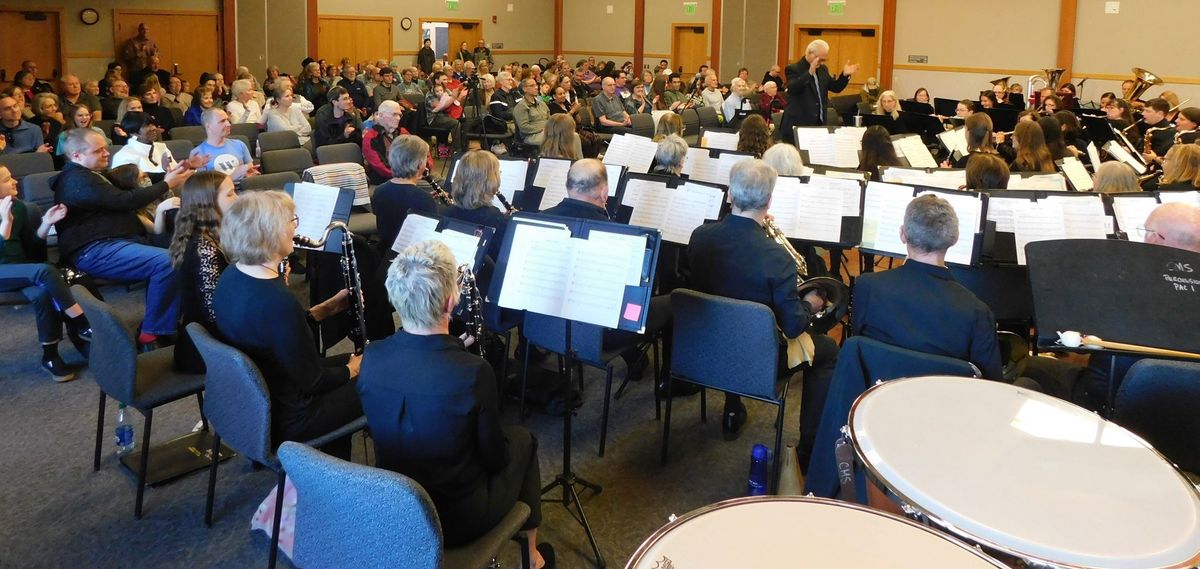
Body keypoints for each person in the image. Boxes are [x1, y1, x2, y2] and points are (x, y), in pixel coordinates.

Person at [356, 240, 554, 568]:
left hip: (398, 505)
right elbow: (495, 458)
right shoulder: (473, 372)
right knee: (524, 441)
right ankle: (532, 558)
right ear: (450, 301)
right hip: (457, 518)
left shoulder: (372, 356)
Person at [687, 159, 838, 450]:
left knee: (734, 310)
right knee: (829, 350)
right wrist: (809, 303)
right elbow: (793, 326)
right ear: (769, 201)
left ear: (729, 195)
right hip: (757, 358)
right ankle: (810, 445)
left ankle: (733, 405)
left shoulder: (700, 236)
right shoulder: (776, 256)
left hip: (704, 347)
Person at [213, 191, 363, 459]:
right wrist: (352, 370)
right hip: (294, 415)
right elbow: (314, 380)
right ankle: (337, 479)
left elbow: (271, 337)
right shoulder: (278, 301)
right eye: (291, 221)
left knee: (363, 362)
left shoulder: (232, 276)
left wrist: (323, 310)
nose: (296, 226)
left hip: (264, 395)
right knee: (378, 376)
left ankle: (328, 467)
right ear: (269, 234)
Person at [52, 129, 193, 350]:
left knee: (169, 261)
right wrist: (167, 184)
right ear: (77, 156)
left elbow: (131, 179)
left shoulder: (91, 175)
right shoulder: (76, 180)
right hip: (94, 249)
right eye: (98, 150)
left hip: (110, 244)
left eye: (105, 147)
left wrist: (172, 174)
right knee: (167, 262)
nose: (106, 153)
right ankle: (152, 332)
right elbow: (123, 200)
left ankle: (160, 327)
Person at [851, 194, 1002, 379]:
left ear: (902, 234)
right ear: (954, 239)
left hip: (879, 399)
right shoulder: (977, 312)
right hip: (942, 403)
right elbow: (990, 384)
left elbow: (861, 354)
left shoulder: (868, 287)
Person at [0, 166, 93, 381]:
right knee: (45, 271)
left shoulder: (18, 208)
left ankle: (50, 356)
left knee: (43, 294)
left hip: (23, 270)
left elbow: (33, 249)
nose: (15, 181)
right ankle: (82, 322)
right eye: (7, 180)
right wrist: (5, 226)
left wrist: (46, 223)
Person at [168, 171, 236, 373]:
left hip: (203, 339)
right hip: (205, 350)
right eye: (231, 194)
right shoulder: (204, 247)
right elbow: (214, 313)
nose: (238, 198)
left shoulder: (205, 233)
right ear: (209, 202)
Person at [445, 151, 509, 292]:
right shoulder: (498, 221)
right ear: (491, 180)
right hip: (484, 289)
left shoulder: (447, 213)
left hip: (453, 287)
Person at [371, 135, 442, 259]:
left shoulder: (379, 191)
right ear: (420, 165)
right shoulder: (424, 200)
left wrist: (424, 199)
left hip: (384, 255)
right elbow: (430, 238)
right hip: (411, 259)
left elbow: (398, 208)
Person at [781, 39, 858, 142]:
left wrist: (845, 75)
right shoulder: (793, 68)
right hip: (798, 125)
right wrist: (809, 73)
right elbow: (792, 88)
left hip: (818, 124)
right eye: (819, 59)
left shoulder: (823, 69)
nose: (821, 63)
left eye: (824, 60)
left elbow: (835, 87)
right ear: (809, 53)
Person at [190, 108, 259, 181]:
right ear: (208, 126)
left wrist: (253, 174)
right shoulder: (197, 153)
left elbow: (251, 170)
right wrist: (232, 177)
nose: (228, 124)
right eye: (222, 121)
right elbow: (203, 186)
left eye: (227, 120)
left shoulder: (239, 144)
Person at [111, 111, 185, 173]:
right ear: (133, 133)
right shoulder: (123, 156)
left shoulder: (161, 147)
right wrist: (164, 170)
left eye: (152, 124)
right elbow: (136, 184)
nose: (153, 128)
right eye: (146, 126)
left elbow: (174, 169)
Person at [1139, 98, 1177, 165]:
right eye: (1143, 110)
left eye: (1147, 111)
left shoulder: (1168, 133)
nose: (1143, 113)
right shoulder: (1146, 125)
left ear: (1160, 113)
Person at [513, 78, 550, 146]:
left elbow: (550, 119)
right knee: (553, 139)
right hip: (531, 136)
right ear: (524, 89)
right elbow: (524, 127)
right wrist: (541, 129)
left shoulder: (542, 104)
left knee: (572, 135)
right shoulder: (521, 106)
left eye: (536, 85)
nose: (536, 87)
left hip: (547, 132)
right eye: (532, 85)